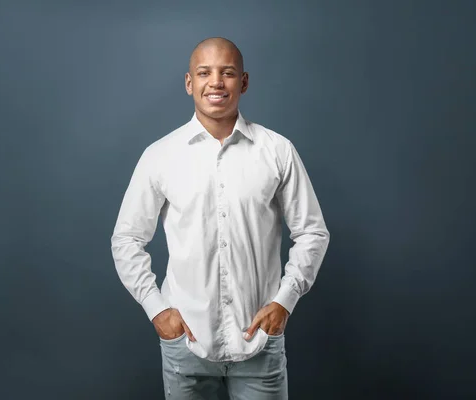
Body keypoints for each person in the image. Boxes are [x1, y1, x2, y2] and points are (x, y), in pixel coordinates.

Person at [111, 37, 330, 399]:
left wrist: (284, 301)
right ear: (189, 83)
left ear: (243, 82)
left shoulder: (277, 151)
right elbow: (126, 239)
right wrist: (158, 310)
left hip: (260, 345)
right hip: (186, 347)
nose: (216, 82)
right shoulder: (160, 156)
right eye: (204, 73)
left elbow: (312, 232)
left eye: (227, 73)